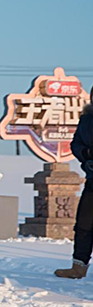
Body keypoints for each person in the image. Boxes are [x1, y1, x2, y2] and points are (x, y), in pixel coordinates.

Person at [55, 102, 93, 279]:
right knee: (83, 225)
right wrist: (86, 154)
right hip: (92, 179)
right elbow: (75, 144)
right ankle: (78, 266)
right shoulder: (86, 119)